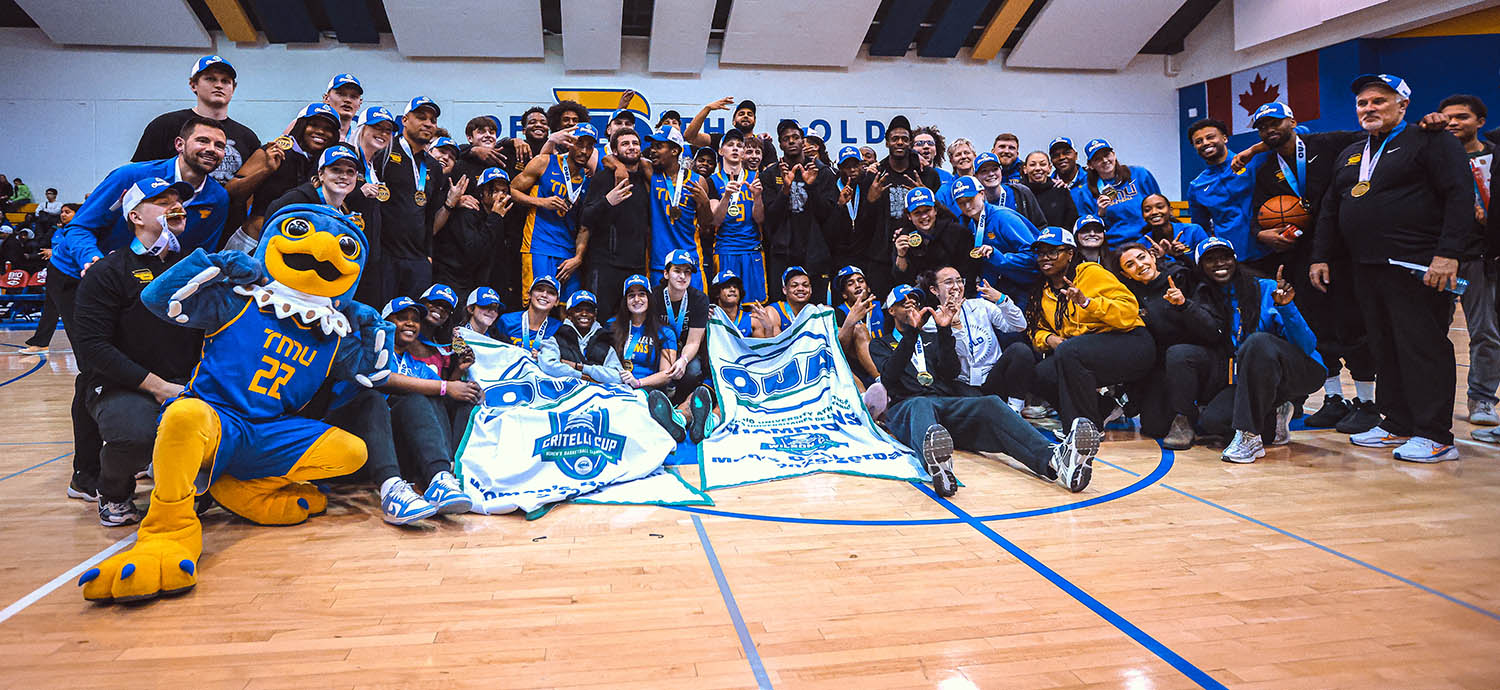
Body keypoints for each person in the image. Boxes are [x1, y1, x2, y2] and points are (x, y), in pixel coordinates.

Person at [46, 117, 230, 502]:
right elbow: (79, 228)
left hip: (156, 269)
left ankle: (157, 451)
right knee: (96, 364)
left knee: (161, 345)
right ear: (180, 144)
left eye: (219, 144)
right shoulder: (132, 177)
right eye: (203, 140)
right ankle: (89, 472)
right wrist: (94, 263)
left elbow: (203, 251)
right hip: (85, 269)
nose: (211, 149)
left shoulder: (216, 198)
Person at [1311, 73, 1471, 463]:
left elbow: (1459, 195)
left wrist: (1448, 253)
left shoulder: (1432, 141)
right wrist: (1321, 255)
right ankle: (1397, 423)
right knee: (1385, 347)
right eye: (1363, 103)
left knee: (1423, 348)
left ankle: (1435, 435)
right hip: (1365, 267)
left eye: (1379, 101)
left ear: (1403, 105)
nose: (1369, 108)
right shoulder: (1352, 152)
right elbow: (1332, 207)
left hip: (1416, 265)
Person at [869, 283, 1099, 496]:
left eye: (915, 301)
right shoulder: (879, 343)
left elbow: (949, 372)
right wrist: (911, 334)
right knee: (921, 403)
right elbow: (889, 378)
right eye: (903, 302)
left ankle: (1056, 460)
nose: (911, 305)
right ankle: (938, 468)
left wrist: (945, 331)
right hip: (906, 408)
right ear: (890, 311)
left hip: (943, 402)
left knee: (990, 402)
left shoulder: (933, 337)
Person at [70, 177, 203, 526]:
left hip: (186, 380)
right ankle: (112, 491)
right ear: (135, 216)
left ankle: (190, 485)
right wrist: (158, 387)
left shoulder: (197, 268)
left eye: (178, 199)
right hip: (122, 384)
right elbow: (93, 348)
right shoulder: (107, 272)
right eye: (161, 201)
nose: (175, 205)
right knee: (135, 436)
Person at [1242, 103, 1380, 432]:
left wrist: (1255, 146)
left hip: (1340, 250)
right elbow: (1259, 215)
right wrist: (1263, 233)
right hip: (1299, 255)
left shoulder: (1329, 143)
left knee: (1353, 324)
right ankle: (1334, 399)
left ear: (1293, 121)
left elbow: (1373, 134)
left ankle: (1367, 401)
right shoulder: (1266, 170)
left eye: (1274, 123)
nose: (1268, 130)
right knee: (1316, 327)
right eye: (1262, 128)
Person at [1193, 238, 1325, 462]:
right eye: (1211, 260)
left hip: (1301, 371)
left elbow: (1307, 345)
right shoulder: (1207, 300)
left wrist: (1287, 308)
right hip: (1255, 381)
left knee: (1258, 342)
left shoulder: (1267, 289)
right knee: (1213, 422)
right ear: (1201, 268)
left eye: (1225, 257)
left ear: (1235, 260)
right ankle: (1276, 415)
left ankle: (1250, 437)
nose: (1219, 263)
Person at [1025, 227, 1154, 430]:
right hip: (1084, 350)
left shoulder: (1091, 273)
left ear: (1070, 254)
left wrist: (1087, 303)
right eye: (1040, 253)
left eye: (1052, 251)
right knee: (1043, 373)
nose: (1044, 258)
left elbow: (1129, 311)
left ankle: (1085, 429)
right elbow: (1036, 329)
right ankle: (1104, 408)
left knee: (1070, 352)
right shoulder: (1043, 291)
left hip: (1131, 342)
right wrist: (1050, 339)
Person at [370, 296, 478, 522]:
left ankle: (442, 476)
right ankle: (434, 476)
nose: (410, 323)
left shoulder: (416, 363)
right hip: (369, 435)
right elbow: (384, 379)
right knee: (417, 399)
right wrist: (446, 386)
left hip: (406, 444)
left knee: (442, 400)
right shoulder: (374, 348)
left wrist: (459, 375)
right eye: (402, 318)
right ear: (384, 320)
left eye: (415, 320)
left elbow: (443, 393)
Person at [1113, 242, 1222, 449]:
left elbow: (1212, 331)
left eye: (1142, 257)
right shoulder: (1129, 296)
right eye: (1130, 264)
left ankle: (1184, 419)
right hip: (1168, 365)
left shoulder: (1182, 277)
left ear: (1153, 257)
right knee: (1153, 427)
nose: (1139, 265)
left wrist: (1184, 305)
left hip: (1203, 356)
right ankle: (1192, 410)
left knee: (1177, 353)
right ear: (1125, 274)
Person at [1438, 93, 1499, 427]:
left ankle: (1483, 399)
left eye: (1462, 117)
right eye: (1448, 117)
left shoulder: (1496, 157)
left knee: (1486, 332)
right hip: (1438, 258)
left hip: (1480, 257)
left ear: (1480, 121)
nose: (1453, 123)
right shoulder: (1433, 158)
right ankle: (1430, 400)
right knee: (1431, 331)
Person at [132, 56, 261, 191]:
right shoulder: (165, 125)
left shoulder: (247, 137)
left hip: (223, 207)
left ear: (233, 89)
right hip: (170, 206)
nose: (219, 85)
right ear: (193, 85)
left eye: (225, 81)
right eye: (210, 79)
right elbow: (139, 174)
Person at [376, 96, 457, 302]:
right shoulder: (383, 153)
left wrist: (427, 255)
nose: (428, 123)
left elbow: (430, 216)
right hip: (384, 256)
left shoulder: (433, 166)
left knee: (413, 320)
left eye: (433, 120)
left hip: (417, 259)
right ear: (404, 120)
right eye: (421, 117)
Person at [512, 124, 599, 298]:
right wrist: (541, 202)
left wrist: (579, 257)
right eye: (579, 143)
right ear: (568, 143)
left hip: (569, 253)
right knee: (535, 302)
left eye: (589, 146)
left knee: (566, 310)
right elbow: (513, 190)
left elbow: (585, 225)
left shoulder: (590, 179)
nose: (584, 150)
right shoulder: (544, 162)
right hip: (538, 246)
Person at [916, 266, 1026, 404]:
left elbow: (1020, 325)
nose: (956, 286)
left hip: (993, 377)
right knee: (982, 405)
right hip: (963, 384)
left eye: (959, 281)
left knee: (1020, 350)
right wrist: (955, 325)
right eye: (949, 282)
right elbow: (960, 356)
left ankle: (1015, 409)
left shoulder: (981, 305)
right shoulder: (933, 324)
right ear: (934, 290)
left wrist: (1002, 300)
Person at [264, 146, 381, 263]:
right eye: (336, 169)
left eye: (350, 172)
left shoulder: (344, 211)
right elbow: (269, 237)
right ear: (321, 174)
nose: (344, 176)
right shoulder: (298, 200)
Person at [613, 274, 695, 440]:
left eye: (642, 294)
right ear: (625, 300)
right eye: (631, 295)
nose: (637, 299)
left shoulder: (665, 332)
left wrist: (638, 383)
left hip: (647, 390)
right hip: (616, 387)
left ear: (649, 298)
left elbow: (666, 375)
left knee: (637, 409)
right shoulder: (612, 326)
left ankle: (670, 422)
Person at [762, 120, 837, 302]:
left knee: (815, 309)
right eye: (786, 138)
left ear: (803, 141)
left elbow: (827, 215)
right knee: (781, 308)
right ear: (780, 144)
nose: (791, 141)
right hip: (782, 253)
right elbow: (770, 217)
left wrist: (811, 187)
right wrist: (785, 190)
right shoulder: (770, 174)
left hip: (814, 253)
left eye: (796, 137)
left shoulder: (821, 171)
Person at [582, 128, 652, 316]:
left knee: (631, 322)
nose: (631, 147)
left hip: (636, 266)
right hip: (605, 265)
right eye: (625, 144)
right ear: (614, 150)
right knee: (601, 320)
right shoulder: (603, 177)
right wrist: (607, 201)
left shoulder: (647, 179)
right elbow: (585, 217)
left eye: (635, 143)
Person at [1184, 119, 1266, 264]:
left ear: (1225, 138)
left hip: (1271, 244)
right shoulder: (1196, 186)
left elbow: (1299, 132)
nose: (1205, 143)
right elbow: (1201, 230)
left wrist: (1253, 150)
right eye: (1198, 141)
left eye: (1210, 137)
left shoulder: (1252, 161)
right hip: (1236, 257)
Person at [952, 176, 1040, 306]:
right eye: (961, 202)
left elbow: (1034, 255)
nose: (967, 206)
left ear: (982, 194)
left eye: (970, 199)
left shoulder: (1003, 217)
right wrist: (981, 296)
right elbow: (989, 265)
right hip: (1002, 287)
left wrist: (998, 257)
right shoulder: (972, 224)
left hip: (1027, 285)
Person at [645, 125, 711, 290]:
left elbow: (706, 226)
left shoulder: (697, 180)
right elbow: (613, 156)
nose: (652, 150)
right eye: (652, 146)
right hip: (659, 263)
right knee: (659, 314)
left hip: (690, 261)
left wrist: (705, 203)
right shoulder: (650, 172)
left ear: (675, 151)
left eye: (658, 147)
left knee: (694, 313)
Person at [434, 167, 512, 304]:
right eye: (494, 190)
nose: (500, 195)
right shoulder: (468, 212)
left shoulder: (503, 217)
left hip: (476, 284)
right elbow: (474, 251)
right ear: (481, 192)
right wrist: (495, 217)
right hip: (452, 280)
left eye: (504, 191)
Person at [709, 129, 768, 303]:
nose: (735, 149)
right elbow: (715, 220)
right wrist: (726, 196)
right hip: (725, 250)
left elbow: (760, 219)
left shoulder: (756, 177)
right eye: (730, 145)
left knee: (754, 306)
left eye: (739, 146)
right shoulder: (713, 181)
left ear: (743, 153)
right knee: (726, 305)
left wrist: (757, 197)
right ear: (721, 151)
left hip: (751, 249)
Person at [653, 251, 714, 418]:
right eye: (677, 271)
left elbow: (694, 342)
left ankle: (681, 407)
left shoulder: (699, 299)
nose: (683, 276)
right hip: (661, 349)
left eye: (687, 272)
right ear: (666, 273)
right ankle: (660, 401)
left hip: (687, 349)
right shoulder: (654, 296)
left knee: (693, 370)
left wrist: (683, 360)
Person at [1073, 138, 1161, 248]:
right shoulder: (1085, 192)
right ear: (1090, 165)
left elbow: (1159, 204)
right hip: (1114, 247)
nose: (1105, 160)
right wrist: (1100, 213)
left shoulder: (1139, 174)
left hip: (1148, 239)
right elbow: (1087, 231)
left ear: (1114, 154)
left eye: (1107, 155)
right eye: (1097, 159)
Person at [893, 186, 970, 288]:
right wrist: (901, 254)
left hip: (953, 289)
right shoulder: (903, 236)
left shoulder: (956, 232)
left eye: (927, 210)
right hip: (920, 292)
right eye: (917, 213)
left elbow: (968, 271)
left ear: (935, 210)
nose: (924, 216)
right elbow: (901, 279)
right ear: (909, 216)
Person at [539, 290, 623, 382]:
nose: (584, 313)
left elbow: (617, 377)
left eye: (589, 310)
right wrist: (582, 377)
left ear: (595, 315)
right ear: (569, 314)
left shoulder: (605, 343)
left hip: (596, 395)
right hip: (566, 394)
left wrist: (580, 367)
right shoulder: (555, 339)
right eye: (578, 310)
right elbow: (548, 366)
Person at [833, 265, 886, 387]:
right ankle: (880, 380)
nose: (857, 285)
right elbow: (838, 348)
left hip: (884, 360)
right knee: (859, 329)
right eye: (850, 283)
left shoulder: (883, 307)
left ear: (868, 288)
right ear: (844, 294)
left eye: (860, 281)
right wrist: (851, 321)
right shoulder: (838, 313)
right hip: (856, 366)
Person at [970, 152, 1046, 228]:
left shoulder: (1020, 192)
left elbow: (1040, 225)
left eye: (995, 169)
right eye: (984, 171)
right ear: (975, 176)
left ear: (1001, 170)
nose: (991, 174)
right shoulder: (973, 201)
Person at [498, 275, 563, 356]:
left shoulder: (559, 328)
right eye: (539, 289)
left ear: (557, 301)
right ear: (529, 294)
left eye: (551, 293)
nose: (544, 295)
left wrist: (543, 358)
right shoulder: (506, 320)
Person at [1136, 194, 1207, 264]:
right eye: (1147, 210)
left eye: (1160, 207)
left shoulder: (1193, 231)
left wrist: (1180, 256)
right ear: (1143, 216)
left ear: (1170, 210)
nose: (1154, 212)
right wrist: (1158, 260)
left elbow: (1208, 262)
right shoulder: (1141, 244)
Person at [1020, 151, 1079, 229]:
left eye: (1043, 164)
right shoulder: (1018, 192)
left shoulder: (1061, 191)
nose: (1038, 168)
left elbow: (1071, 222)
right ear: (1025, 169)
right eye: (1032, 165)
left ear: (1049, 168)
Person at [710, 269, 769, 337]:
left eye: (735, 287)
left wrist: (768, 327)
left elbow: (763, 347)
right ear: (717, 293)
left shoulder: (752, 320)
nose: (733, 290)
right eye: (727, 287)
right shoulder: (709, 318)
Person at [322, 73, 363, 140]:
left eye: (354, 96)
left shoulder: (360, 143)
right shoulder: (314, 137)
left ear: (359, 103)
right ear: (326, 99)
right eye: (341, 94)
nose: (348, 100)